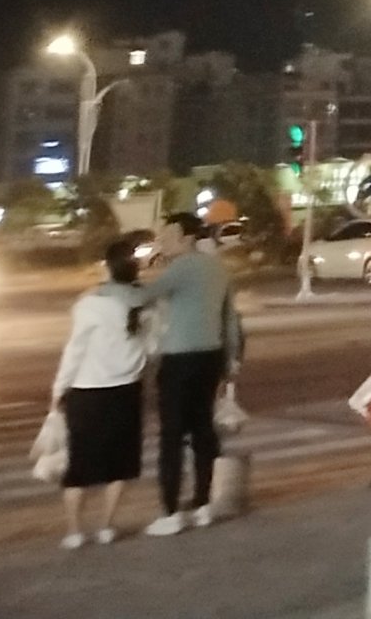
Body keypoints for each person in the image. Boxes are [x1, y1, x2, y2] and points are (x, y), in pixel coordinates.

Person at [137, 212, 242, 535]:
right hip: (211, 358)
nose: (162, 242)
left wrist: (107, 290)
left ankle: (170, 511)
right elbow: (230, 320)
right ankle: (202, 504)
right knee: (203, 431)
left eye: (168, 236)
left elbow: (142, 297)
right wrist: (231, 362)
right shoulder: (218, 268)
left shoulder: (180, 268)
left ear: (187, 238)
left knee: (171, 436)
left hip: (179, 360)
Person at [51, 237, 150, 548]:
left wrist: (59, 388)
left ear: (107, 268)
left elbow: (75, 350)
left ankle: (74, 530)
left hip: (87, 392)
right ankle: (106, 526)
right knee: (121, 462)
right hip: (127, 390)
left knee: (80, 464)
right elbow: (153, 347)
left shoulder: (89, 305)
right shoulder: (145, 303)